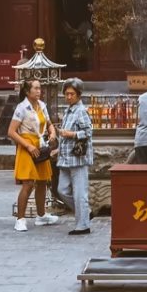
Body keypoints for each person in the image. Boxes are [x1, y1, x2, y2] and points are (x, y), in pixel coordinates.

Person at [8, 78, 59, 231]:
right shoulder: (21, 108)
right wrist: (28, 145)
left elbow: (49, 124)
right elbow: (11, 132)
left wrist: (52, 133)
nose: (39, 91)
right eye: (35, 88)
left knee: (43, 181)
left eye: (39, 88)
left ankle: (41, 215)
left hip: (40, 146)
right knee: (28, 183)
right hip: (27, 146)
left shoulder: (42, 106)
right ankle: (20, 219)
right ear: (27, 91)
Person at [54, 79, 94, 236]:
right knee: (62, 190)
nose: (69, 96)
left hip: (78, 157)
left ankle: (82, 225)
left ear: (78, 95)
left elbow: (88, 132)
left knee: (79, 193)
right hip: (65, 158)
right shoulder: (68, 111)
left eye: (72, 94)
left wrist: (71, 134)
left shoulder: (81, 111)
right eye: (66, 94)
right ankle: (86, 212)